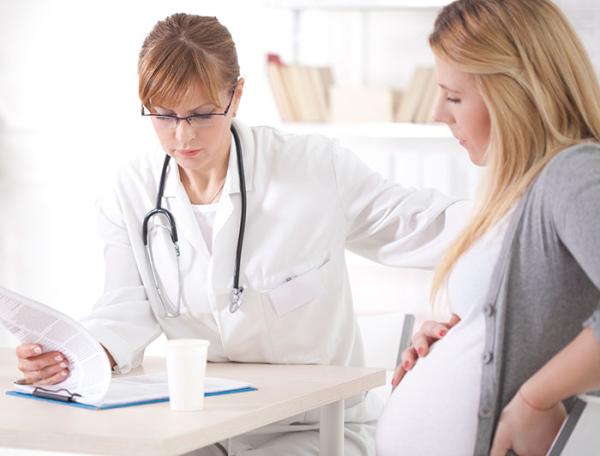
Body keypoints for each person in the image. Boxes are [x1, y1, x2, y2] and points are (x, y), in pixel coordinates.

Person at [13, 13, 469, 456]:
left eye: (201, 113)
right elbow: (125, 307)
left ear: (235, 96)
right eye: (164, 115)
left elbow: (420, 223)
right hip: (202, 426)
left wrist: (527, 208)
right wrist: (79, 355)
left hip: (313, 428)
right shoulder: (132, 190)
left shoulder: (313, 169)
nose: (181, 136)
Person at [375, 0, 600, 455]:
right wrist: (458, 338)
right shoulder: (516, 191)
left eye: (454, 96)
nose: (439, 112)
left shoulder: (573, 173)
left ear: (516, 92)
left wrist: (536, 399)